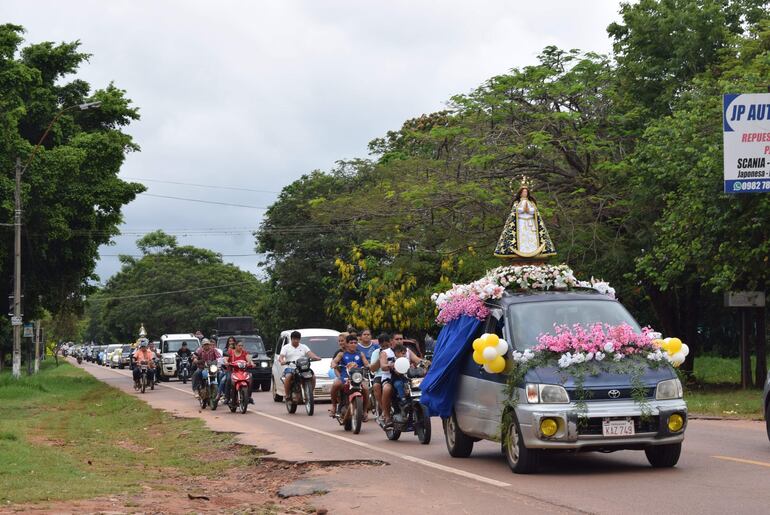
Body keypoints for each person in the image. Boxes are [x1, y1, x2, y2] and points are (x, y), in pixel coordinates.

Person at [493, 176, 556, 259]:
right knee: (522, 237)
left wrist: (528, 210)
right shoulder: (517, 202)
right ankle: (522, 251)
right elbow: (515, 211)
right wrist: (523, 210)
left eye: (526, 192)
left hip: (530, 223)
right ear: (520, 193)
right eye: (523, 192)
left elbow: (535, 211)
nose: (525, 193)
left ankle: (533, 251)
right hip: (521, 223)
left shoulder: (531, 202)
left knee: (531, 237)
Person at [380, 343, 423, 428]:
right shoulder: (390, 357)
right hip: (396, 380)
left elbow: (418, 361)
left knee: (418, 383)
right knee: (397, 385)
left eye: (404, 353)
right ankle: (400, 403)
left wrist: (424, 363)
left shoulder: (407, 355)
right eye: (401, 353)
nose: (403, 354)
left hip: (407, 379)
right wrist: (391, 366)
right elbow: (384, 367)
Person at [330, 334, 370, 419]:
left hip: (358, 378)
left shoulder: (360, 354)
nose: (353, 344)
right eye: (351, 343)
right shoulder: (341, 354)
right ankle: (334, 406)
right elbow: (334, 361)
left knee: (366, 389)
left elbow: (366, 364)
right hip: (345, 378)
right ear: (347, 344)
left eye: (355, 343)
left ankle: (365, 411)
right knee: (335, 385)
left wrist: (369, 366)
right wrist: (334, 364)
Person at [279, 331, 321, 401]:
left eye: (297, 339)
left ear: (299, 339)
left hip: (303, 367)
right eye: (294, 339)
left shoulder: (304, 346)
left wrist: (316, 357)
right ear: (291, 339)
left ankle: (309, 393)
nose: (296, 341)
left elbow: (310, 354)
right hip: (291, 367)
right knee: (288, 376)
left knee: (313, 377)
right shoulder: (286, 347)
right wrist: (282, 361)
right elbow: (281, 357)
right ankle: (287, 395)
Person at [220, 339, 254, 404]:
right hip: (232, 371)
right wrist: (226, 362)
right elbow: (225, 359)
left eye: (242, 346)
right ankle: (227, 398)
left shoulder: (244, 352)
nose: (241, 347)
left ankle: (248, 397)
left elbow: (249, 359)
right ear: (235, 346)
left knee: (250, 378)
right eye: (239, 345)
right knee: (229, 379)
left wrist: (251, 363)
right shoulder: (230, 352)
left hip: (242, 372)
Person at [369, 333, 391, 419]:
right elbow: (373, 369)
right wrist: (381, 358)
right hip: (380, 374)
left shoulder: (394, 351)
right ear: (380, 345)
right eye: (383, 346)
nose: (385, 347)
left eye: (387, 345)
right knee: (376, 385)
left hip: (391, 374)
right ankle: (384, 409)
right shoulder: (376, 352)